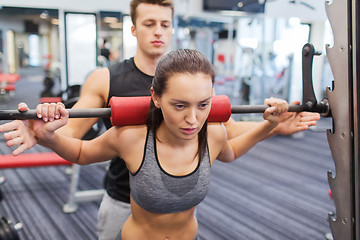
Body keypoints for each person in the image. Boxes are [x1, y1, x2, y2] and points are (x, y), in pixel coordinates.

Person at [1, 0, 320, 239]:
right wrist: (44, 135)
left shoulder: (188, 76)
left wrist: (274, 125)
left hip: (182, 197)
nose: (158, 31)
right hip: (125, 199)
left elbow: (226, 133)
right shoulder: (106, 79)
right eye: (150, 23)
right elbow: (76, 136)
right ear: (133, 28)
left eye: (165, 24)